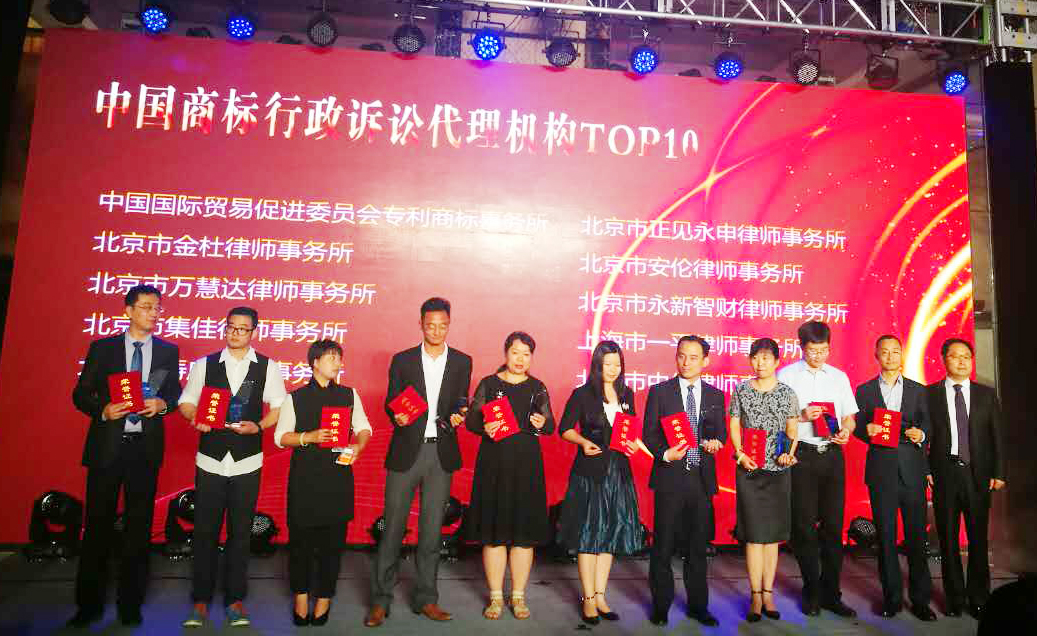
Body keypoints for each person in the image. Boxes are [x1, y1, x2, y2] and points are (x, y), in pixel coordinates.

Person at [69, 284, 181, 628]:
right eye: (146, 307)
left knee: (139, 528)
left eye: (157, 308)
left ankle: (130, 603)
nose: (153, 313)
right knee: (97, 527)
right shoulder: (103, 348)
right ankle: (88, 605)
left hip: (144, 450)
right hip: (107, 449)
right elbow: (80, 393)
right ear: (128, 311)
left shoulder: (167, 351)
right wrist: (102, 410)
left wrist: (163, 404)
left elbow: (174, 393)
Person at [366, 298, 472, 627]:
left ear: (449, 324)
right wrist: (395, 415)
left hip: (441, 453)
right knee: (392, 529)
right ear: (421, 324)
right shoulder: (403, 360)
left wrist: (460, 414)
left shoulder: (462, 361)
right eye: (430, 325)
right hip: (406, 452)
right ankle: (380, 600)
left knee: (431, 532)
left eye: (442, 325)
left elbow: (461, 401)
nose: (436, 331)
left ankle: (427, 599)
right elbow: (391, 400)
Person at [178, 306, 287, 628]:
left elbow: (279, 407)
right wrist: (194, 418)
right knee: (205, 532)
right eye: (231, 327)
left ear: (254, 332)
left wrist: (259, 426)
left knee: (240, 533)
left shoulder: (267, 367)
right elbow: (186, 402)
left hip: (247, 461)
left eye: (243, 329)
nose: (236, 333)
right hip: (210, 460)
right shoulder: (204, 364)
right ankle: (200, 600)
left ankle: (235, 599)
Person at [274, 340, 372, 626]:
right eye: (331, 358)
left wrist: (358, 446)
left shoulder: (349, 394)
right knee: (300, 544)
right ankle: (301, 595)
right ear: (314, 362)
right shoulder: (296, 398)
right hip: (305, 479)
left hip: (337, 478)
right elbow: (281, 437)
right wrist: (310, 437)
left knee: (332, 545)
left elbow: (364, 427)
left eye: (339, 358)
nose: (337, 363)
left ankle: (325, 596)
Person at [465, 331, 555, 620]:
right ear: (506, 353)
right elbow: (471, 421)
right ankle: (495, 597)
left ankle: (518, 596)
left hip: (527, 466)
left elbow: (550, 425)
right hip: (494, 464)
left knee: (523, 535)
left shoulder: (537, 387)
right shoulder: (489, 384)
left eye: (526, 354)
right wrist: (484, 427)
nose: (520, 359)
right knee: (494, 534)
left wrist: (542, 422)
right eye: (516, 352)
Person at [557, 340, 644, 624]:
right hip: (590, 473)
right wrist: (583, 442)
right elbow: (564, 428)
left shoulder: (627, 394)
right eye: (607, 364)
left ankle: (601, 596)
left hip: (618, 472)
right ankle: (588, 599)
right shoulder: (582, 394)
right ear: (597, 365)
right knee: (589, 535)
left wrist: (633, 446)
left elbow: (630, 433)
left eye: (617, 364)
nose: (613, 369)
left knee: (610, 535)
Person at [643, 335, 726, 627]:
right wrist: (665, 454)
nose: (686, 362)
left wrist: (716, 443)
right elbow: (649, 434)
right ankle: (661, 606)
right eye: (681, 356)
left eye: (693, 357)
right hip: (670, 478)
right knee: (663, 546)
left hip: (701, 480)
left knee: (698, 548)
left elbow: (721, 434)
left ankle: (698, 607)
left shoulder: (715, 396)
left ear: (705, 361)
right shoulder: (660, 392)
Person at [776, 320, 858, 617]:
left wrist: (846, 431)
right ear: (801, 347)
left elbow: (849, 417)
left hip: (832, 456)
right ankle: (811, 590)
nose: (819, 356)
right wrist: (800, 416)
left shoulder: (838, 377)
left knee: (834, 527)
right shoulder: (786, 376)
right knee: (803, 527)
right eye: (813, 351)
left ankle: (831, 593)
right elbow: (775, 419)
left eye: (824, 350)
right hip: (803, 456)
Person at [853, 335, 936, 621]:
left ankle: (921, 601)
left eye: (895, 351)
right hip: (881, 472)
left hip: (912, 470)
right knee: (886, 539)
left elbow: (929, 425)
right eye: (884, 352)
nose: (890, 356)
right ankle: (892, 599)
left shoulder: (918, 390)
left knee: (916, 539)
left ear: (902, 355)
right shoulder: (864, 391)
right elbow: (856, 427)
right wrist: (866, 431)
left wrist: (921, 434)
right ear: (876, 355)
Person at [926, 337, 1005, 618]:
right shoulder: (930, 395)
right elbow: (925, 436)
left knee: (978, 540)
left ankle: (979, 598)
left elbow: (997, 436)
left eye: (966, 357)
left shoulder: (986, 395)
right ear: (943, 360)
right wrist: (925, 470)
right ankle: (955, 599)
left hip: (977, 475)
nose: (961, 361)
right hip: (944, 474)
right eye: (955, 356)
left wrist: (999, 472)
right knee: (947, 540)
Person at [728, 338, 800, 622]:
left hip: (778, 471)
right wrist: (739, 453)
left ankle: (768, 593)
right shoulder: (741, 390)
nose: (760, 363)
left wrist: (788, 454)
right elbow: (735, 424)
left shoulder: (787, 393)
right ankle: (755, 596)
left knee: (771, 538)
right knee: (753, 536)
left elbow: (792, 429)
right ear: (750, 360)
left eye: (766, 358)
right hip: (750, 469)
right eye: (756, 358)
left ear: (777, 361)